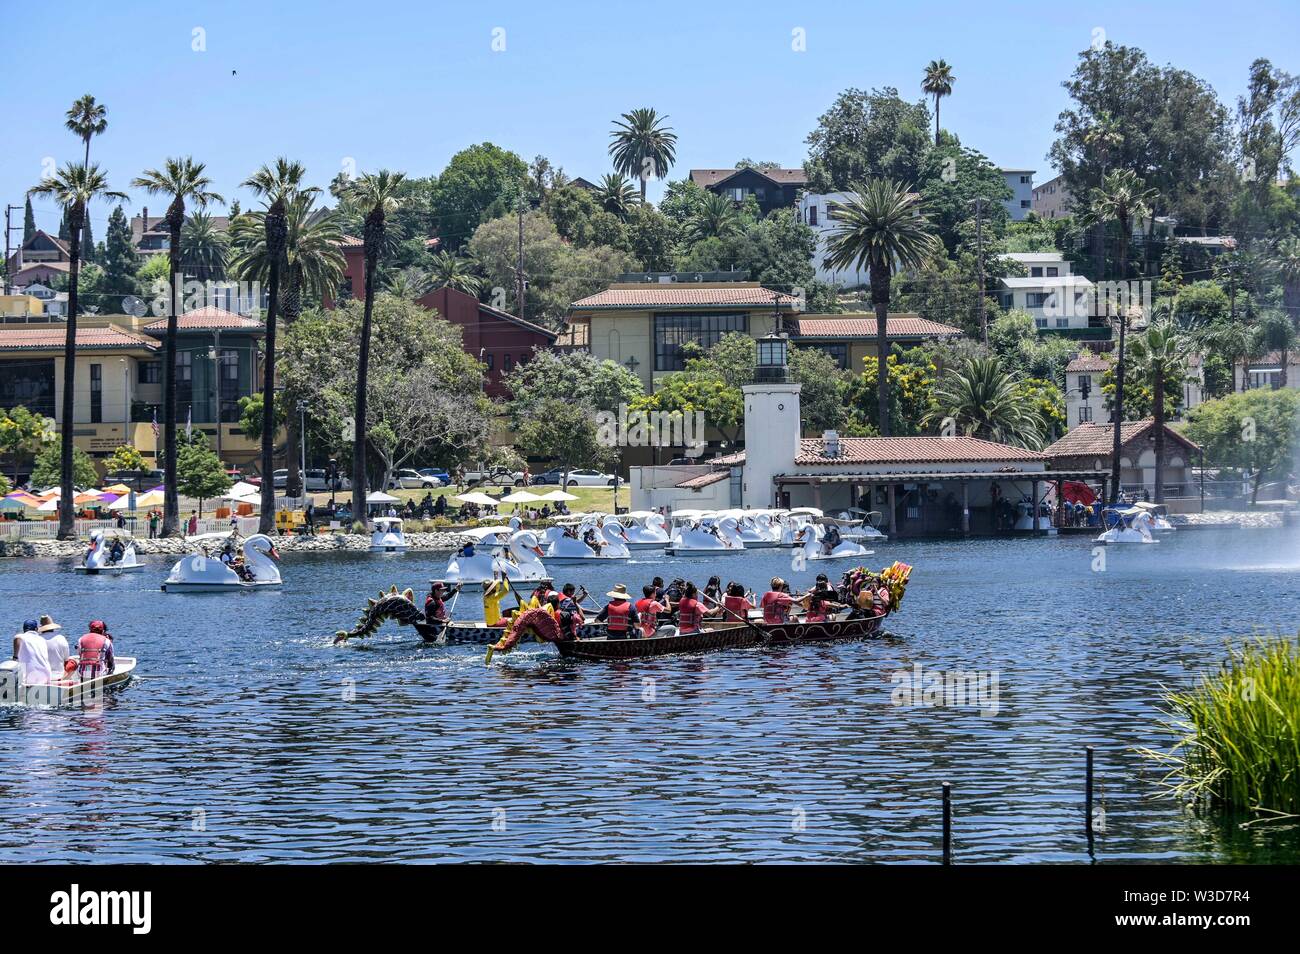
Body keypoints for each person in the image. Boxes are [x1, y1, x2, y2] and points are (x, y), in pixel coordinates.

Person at [12, 620, 53, 686]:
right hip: (46, 677)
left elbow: (17, 638)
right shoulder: (42, 639)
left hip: (29, 679)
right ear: (36, 629)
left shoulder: (21, 637)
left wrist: (15, 657)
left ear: (24, 629)